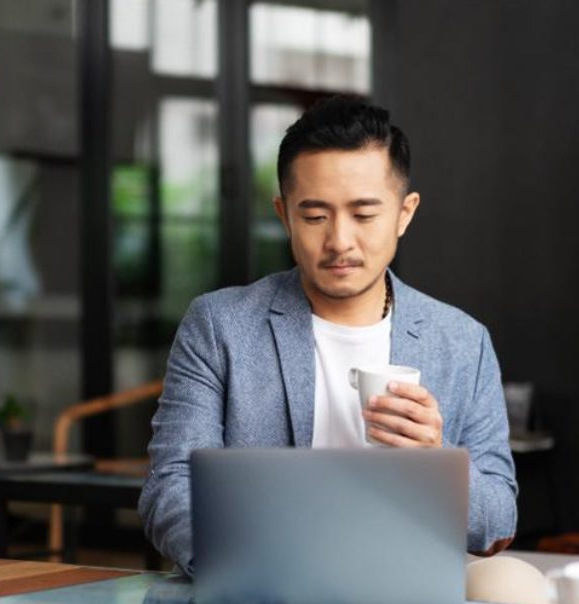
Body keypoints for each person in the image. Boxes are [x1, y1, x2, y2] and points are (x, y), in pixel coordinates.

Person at [138, 97, 517, 575]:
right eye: (316, 216)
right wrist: (249, 566)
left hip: (404, 584)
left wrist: (435, 463)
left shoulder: (462, 341)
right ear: (284, 215)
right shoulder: (220, 326)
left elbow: (499, 521)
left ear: (404, 213)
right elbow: (169, 487)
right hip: (261, 584)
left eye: (363, 215)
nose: (339, 240)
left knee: (512, 584)